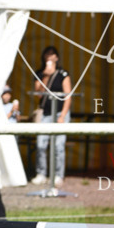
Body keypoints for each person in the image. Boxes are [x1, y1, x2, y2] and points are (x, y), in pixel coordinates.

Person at [31, 46, 72, 187]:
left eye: (52, 55)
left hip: (60, 112)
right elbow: (38, 92)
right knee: (41, 144)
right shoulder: (39, 74)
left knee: (58, 145)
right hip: (46, 112)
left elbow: (68, 95)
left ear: (57, 57)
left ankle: (58, 175)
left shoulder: (63, 74)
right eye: (47, 54)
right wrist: (46, 76)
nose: (49, 57)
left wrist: (63, 116)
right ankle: (41, 173)